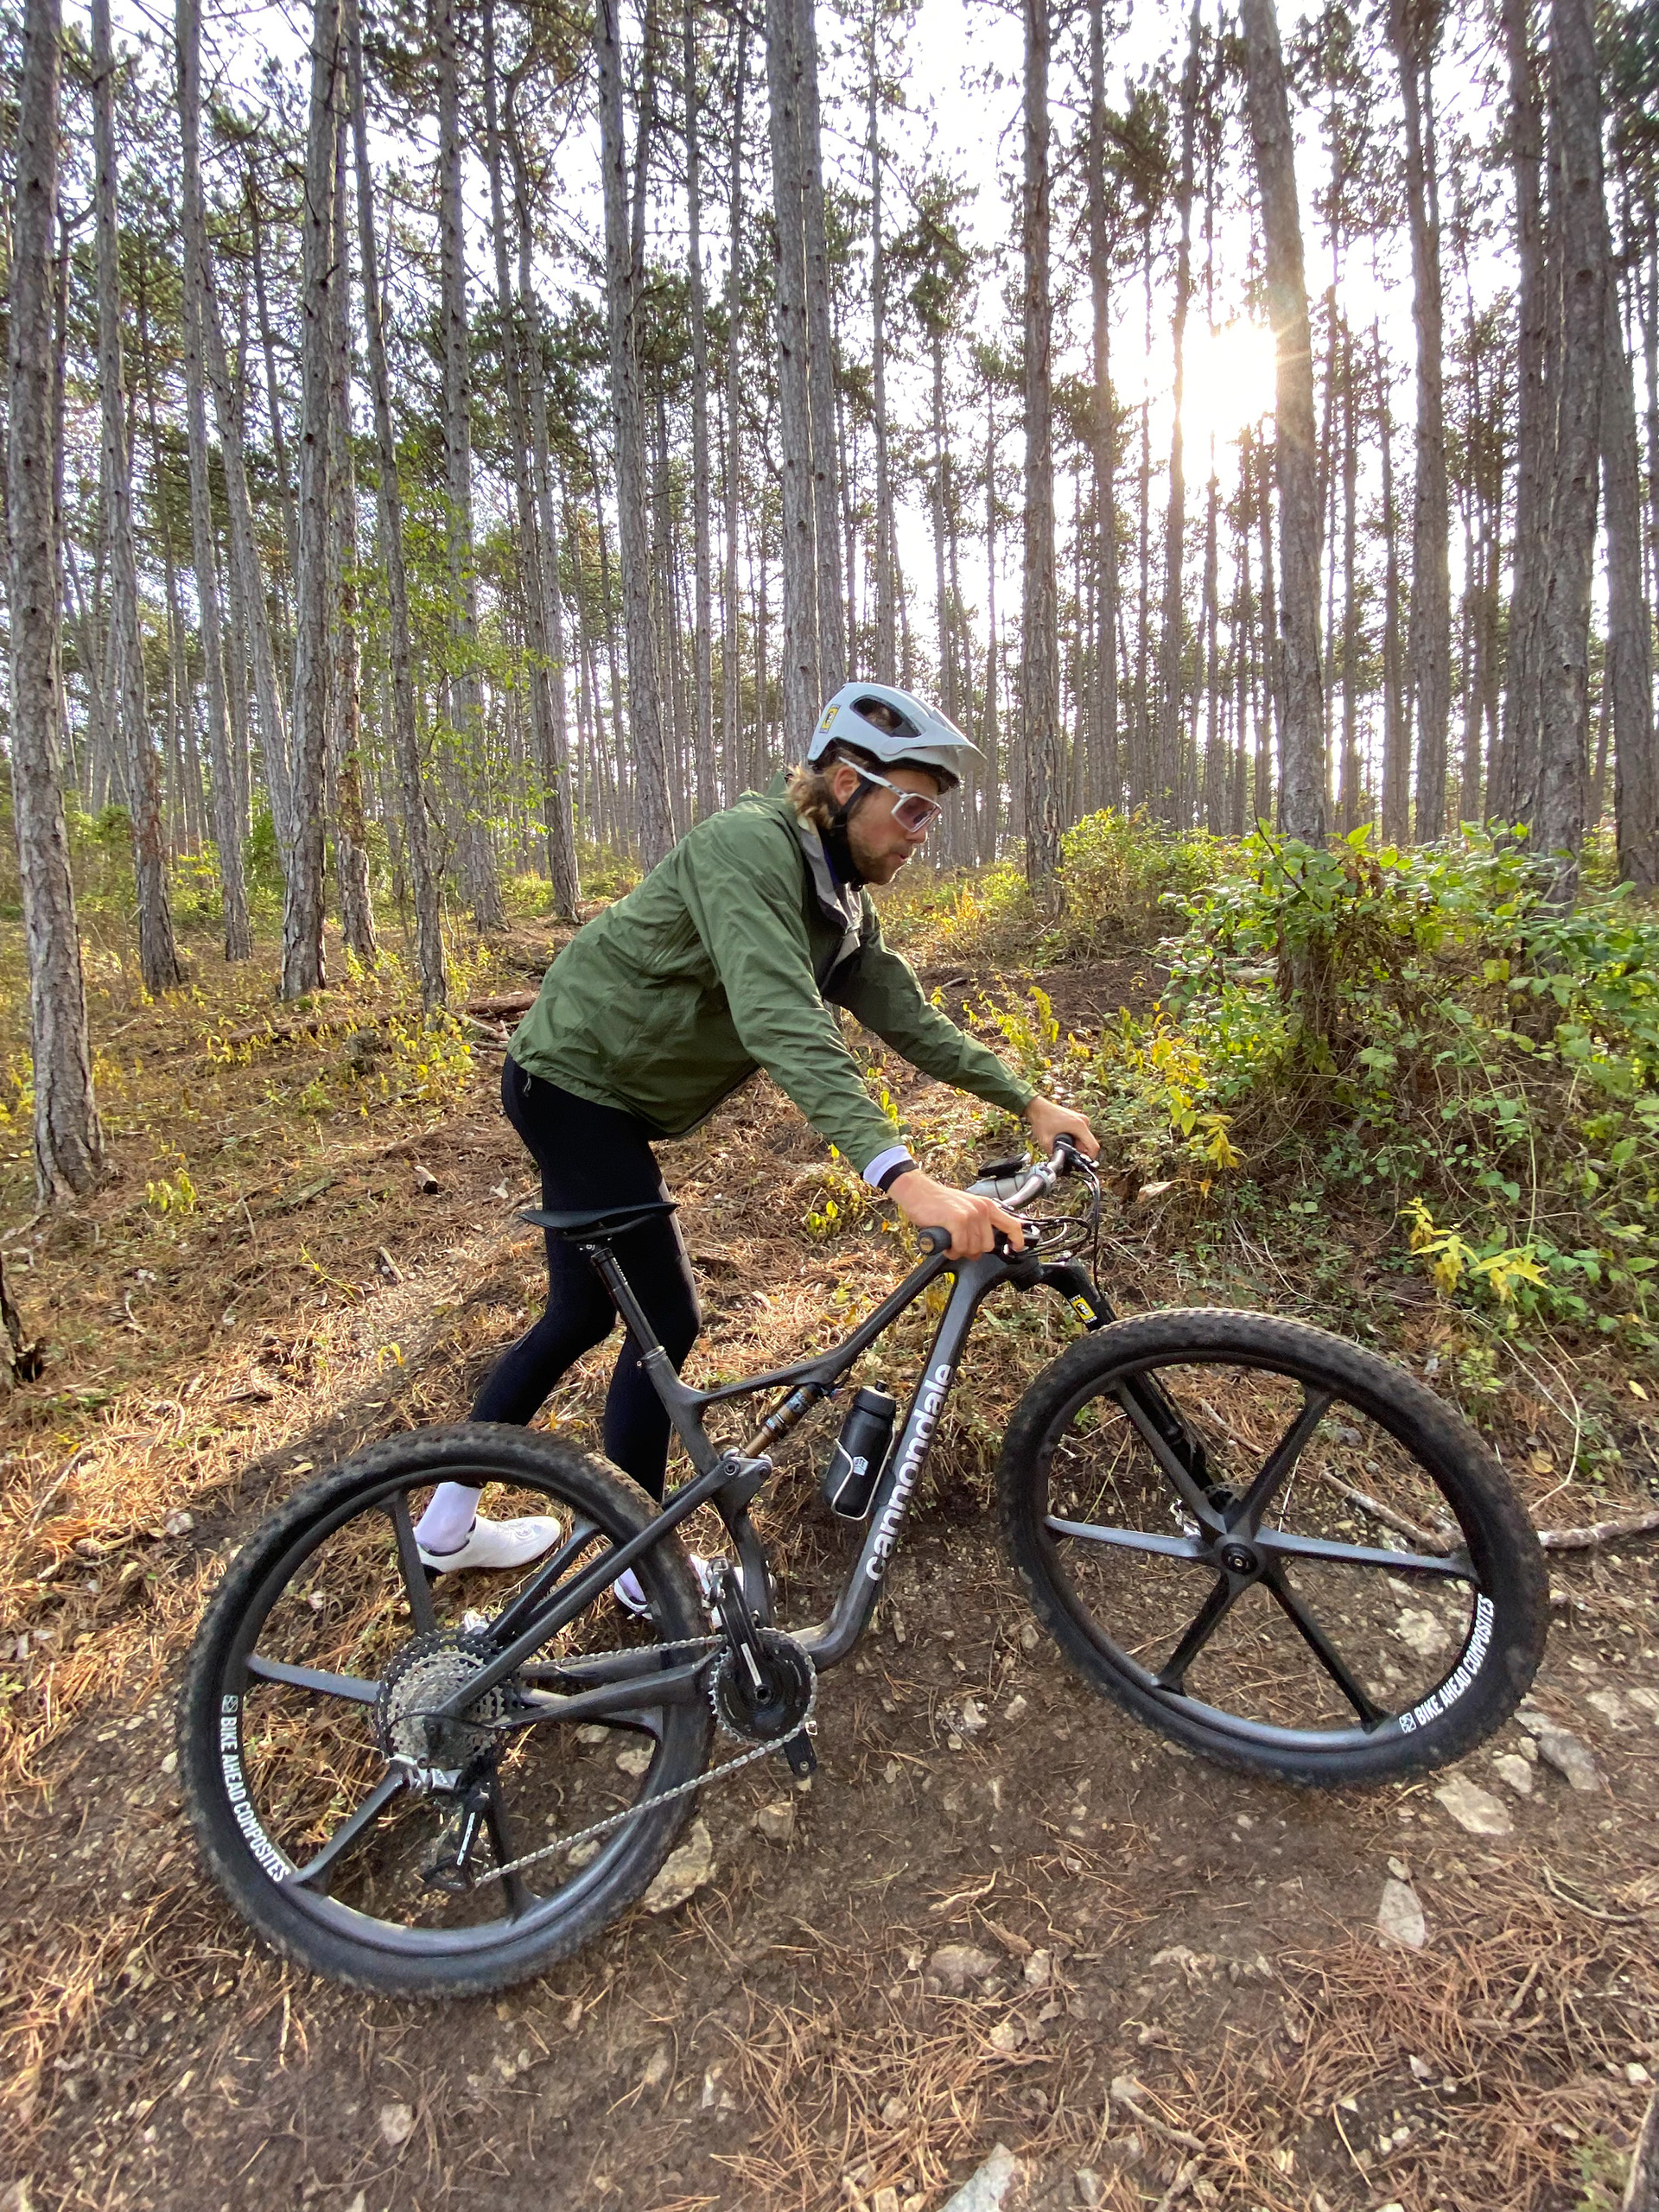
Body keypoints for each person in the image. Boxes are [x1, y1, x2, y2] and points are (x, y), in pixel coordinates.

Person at [414, 682, 1100, 1575]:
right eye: (913, 807)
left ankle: (447, 1527)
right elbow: (781, 1017)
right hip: (573, 1086)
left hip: (593, 1090)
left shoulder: (834, 898)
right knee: (663, 1320)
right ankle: (642, 1570)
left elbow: (907, 1016)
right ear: (847, 785)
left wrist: (1027, 1102)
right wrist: (902, 1176)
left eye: (933, 814)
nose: (923, 832)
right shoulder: (747, 848)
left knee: (578, 1316)